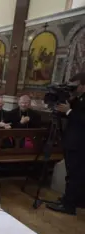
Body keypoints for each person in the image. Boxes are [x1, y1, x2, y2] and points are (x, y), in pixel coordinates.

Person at [47, 72, 85, 215]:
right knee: (73, 174)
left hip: (79, 144)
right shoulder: (79, 98)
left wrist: (69, 111)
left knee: (75, 175)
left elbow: (80, 118)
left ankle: (69, 206)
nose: (72, 88)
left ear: (83, 85)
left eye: (75, 86)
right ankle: (72, 200)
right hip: (73, 142)